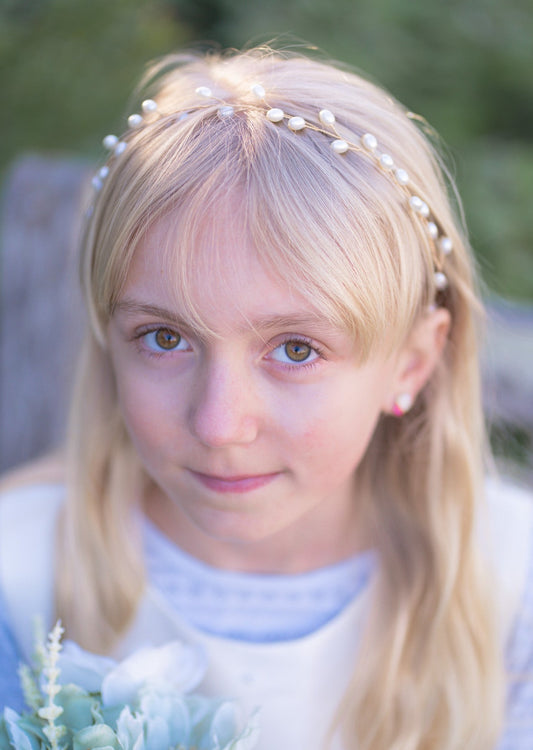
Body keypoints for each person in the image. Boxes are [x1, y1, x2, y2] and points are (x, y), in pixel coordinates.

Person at [0, 45, 531, 750]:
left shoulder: (510, 580)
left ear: (411, 362)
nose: (219, 424)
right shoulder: (22, 572)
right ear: (107, 337)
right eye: (163, 338)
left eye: (295, 350)